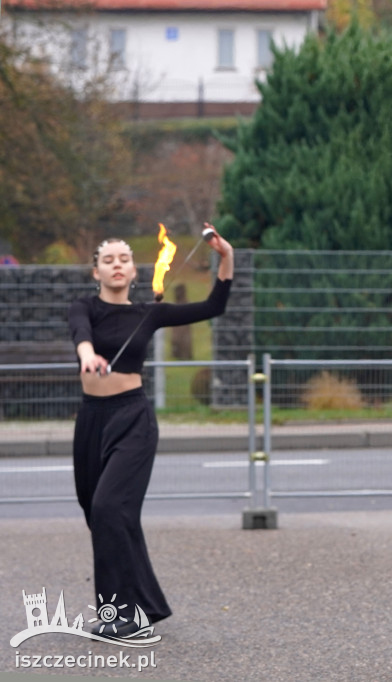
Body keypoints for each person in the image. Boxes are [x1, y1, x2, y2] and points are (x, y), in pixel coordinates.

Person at [68, 225, 233, 634]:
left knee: (110, 508)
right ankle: (142, 606)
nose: (117, 265)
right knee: (101, 515)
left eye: (124, 259)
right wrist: (87, 355)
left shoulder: (150, 312)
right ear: (96, 273)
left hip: (132, 421)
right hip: (92, 420)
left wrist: (225, 256)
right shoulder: (83, 306)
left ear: (135, 272)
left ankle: (122, 616)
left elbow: (214, 306)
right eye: (108, 260)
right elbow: (82, 335)